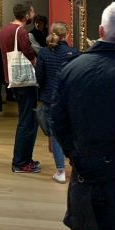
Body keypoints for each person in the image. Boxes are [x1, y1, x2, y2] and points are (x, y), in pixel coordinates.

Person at [53, 2, 115, 230]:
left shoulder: (73, 67)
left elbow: (57, 120)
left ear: (101, 30)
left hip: (85, 169)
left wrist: (73, 156)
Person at [34, 22, 79, 183]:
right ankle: (77, 168)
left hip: (49, 99)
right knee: (73, 134)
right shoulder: (73, 53)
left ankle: (60, 172)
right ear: (66, 34)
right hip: (68, 98)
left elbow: (39, 78)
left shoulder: (44, 53)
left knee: (54, 136)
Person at [0, 1, 39, 173]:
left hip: (13, 78)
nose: (34, 14)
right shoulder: (20, 31)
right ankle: (21, 162)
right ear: (26, 15)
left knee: (25, 120)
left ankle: (23, 159)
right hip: (25, 81)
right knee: (28, 122)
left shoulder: (5, 29)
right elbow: (29, 52)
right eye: (32, 12)